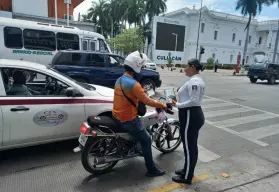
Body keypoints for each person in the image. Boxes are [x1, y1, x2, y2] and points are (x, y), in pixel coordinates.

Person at [112, 51, 167, 177]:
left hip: (116, 116)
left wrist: (142, 91)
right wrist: (162, 105)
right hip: (128, 120)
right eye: (141, 66)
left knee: (142, 128)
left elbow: (129, 96)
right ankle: (151, 169)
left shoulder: (120, 80)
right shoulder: (134, 84)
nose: (142, 69)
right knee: (147, 140)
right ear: (136, 66)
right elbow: (147, 101)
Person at [170, 58, 205, 185]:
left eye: (187, 66)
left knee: (190, 148)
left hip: (191, 115)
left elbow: (194, 101)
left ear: (194, 67)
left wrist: (178, 105)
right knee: (188, 146)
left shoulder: (195, 82)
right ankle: (187, 169)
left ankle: (187, 177)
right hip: (191, 115)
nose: (185, 69)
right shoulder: (194, 80)